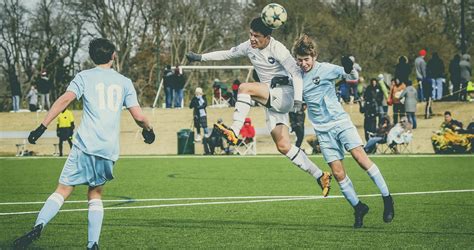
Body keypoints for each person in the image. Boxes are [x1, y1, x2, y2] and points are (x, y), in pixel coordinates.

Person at [13, 38, 155, 249]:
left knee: (63, 189)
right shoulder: (124, 82)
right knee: (95, 193)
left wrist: (41, 127)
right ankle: (92, 244)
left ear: (92, 56)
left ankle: (39, 225)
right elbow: (138, 115)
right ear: (113, 55)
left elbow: (64, 100)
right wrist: (149, 131)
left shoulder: (83, 77)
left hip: (85, 144)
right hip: (107, 149)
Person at [186, 17, 332, 196]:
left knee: (245, 88)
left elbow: (296, 73)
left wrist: (298, 101)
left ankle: (235, 130)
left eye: (256, 36)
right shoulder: (248, 46)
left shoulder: (278, 48)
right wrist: (200, 57)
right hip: (270, 99)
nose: (252, 39)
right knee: (284, 146)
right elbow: (227, 53)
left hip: (284, 95)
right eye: (250, 34)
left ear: (267, 36)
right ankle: (320, 175)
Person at [293, 34, 394, 228]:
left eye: (306, 59)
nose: (303, 63)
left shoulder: (327, 69)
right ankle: (358, 207)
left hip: (340, 122)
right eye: (300, 60)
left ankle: (387, 198)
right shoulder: (296, 77)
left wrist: (350, 68)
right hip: (322, 131)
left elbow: (351, 77)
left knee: (361, 158)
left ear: (314, 56)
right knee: (338, 174)